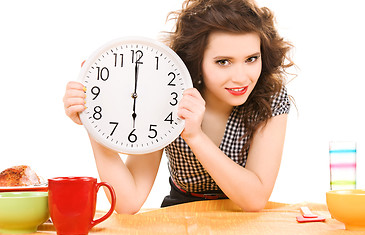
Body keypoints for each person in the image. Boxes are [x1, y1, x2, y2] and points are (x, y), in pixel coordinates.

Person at [63, 0, 294, 214]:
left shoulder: (271, 97)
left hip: (244, 218)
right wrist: (92, 121)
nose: (241, 77)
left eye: (251, 59)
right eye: (223, 62)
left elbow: (254, 200)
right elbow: (128, 201)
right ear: (196, 61)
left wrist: (195, 136)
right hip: (182, 213)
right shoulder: (167, 94)